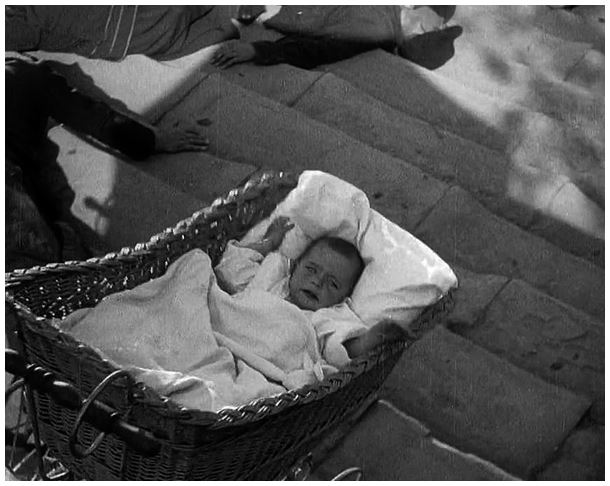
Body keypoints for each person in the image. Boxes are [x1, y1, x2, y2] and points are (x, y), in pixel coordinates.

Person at [5, 56, 211, 271]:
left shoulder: (21, 77)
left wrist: (148, 140)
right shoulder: (21, 75)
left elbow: (89, 115)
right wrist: (149, 140)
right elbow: (89, 115)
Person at [215, 216, 408, 359]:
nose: (317, 282)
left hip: (268, 360)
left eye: (332, 284)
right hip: (226, 335)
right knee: (199, 262)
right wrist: (268, 243)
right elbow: (230, 270)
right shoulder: (272, 278)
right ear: (295, 266)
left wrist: (373, 338)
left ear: (343, 298)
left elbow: (339, 348)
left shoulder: (327, 316)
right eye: (311, 269)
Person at [211, 5, 462, 70]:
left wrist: (257, 50)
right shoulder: (390, 12)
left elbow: (317, 50)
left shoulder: (375, 31)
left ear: (421, 31)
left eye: (439, 28)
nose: (442, 25)